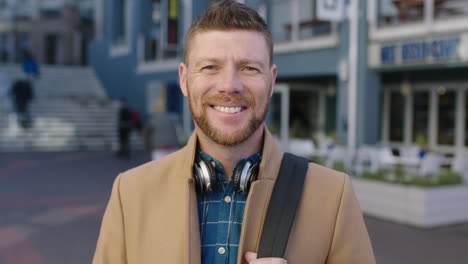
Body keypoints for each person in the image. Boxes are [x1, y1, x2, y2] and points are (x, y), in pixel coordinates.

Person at [93, 1, 375, 264]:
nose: (229, 85)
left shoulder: (333, 196)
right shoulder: (130, 193)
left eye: (249, 68)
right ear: (184, 79)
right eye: (210, 67)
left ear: (271, 80)